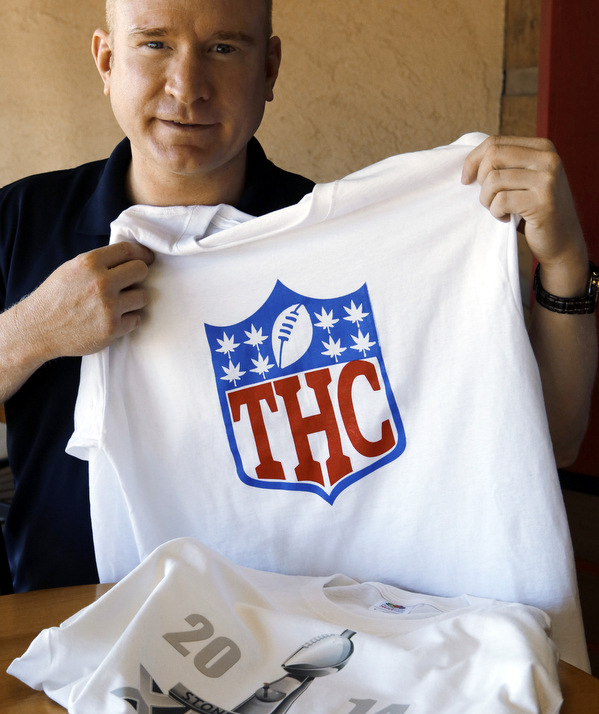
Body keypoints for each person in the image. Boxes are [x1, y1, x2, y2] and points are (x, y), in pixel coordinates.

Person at [0, 0, 596, 592]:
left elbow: (554, 441)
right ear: (107, 61)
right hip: (53, 631)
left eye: (223, 48)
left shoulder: (350, 244)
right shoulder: (21, 219)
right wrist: (32, 332)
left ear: (269, 70)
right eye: (154, 44)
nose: (187, 88)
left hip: (291, 644)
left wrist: (566, 260)